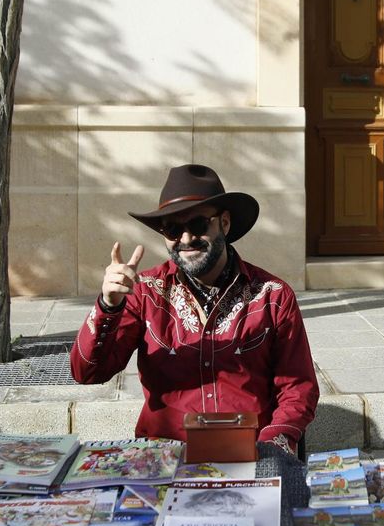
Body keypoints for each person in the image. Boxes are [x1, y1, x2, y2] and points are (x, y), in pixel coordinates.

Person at [69, 164, 317, 456]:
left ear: (224, 223)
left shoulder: (272, 296)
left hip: (250, 455)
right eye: (173, 229)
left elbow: (297, 389)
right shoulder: (145, 292)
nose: (185, 239)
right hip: (165, 460)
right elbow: (87, 373)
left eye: (198, 225)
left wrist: (272, 446)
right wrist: (108, 305)